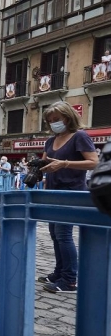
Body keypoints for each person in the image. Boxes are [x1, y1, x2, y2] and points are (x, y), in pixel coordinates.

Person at [37, 102, 99, 293]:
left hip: (71, 192)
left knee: (64, 235)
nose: (53, 123)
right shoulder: (51, 140)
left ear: (67, 116)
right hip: (53, 192)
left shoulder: (79, 136)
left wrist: (64, 164)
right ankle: (59, 272)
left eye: (57, 119)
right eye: (50, 120)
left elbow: (93, 162)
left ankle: (70, 280)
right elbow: (45, 162)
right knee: (55, 235)